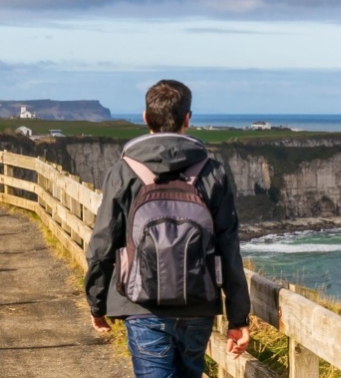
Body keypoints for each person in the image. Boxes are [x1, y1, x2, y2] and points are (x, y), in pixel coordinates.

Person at [85, 80, 250, 378]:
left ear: (145, 116)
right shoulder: (213, 172)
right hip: (199, 303)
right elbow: (229, 248)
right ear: (188, 118)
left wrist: (97, 303)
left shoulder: (124, 171)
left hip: (140, 303)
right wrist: (238, 318)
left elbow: (102, 244)